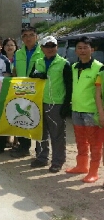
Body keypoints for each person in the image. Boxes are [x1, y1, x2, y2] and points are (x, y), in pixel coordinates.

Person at [29, 36, 72, 173]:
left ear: (56, 47)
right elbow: (31, 77)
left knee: (57, 134)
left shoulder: (64, 63)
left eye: (52, 46)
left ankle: (58, 161)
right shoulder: (38, 61)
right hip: (39, 101)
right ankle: (42, 158)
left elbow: (69, 86)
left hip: (56, 103)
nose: (49, 49)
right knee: (40, 132)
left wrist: (67, 104)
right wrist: (37, 75)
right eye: (46, 46)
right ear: (41, 48)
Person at [66, 36, 104, 183]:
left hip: (92, 112)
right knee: (81, 141)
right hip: (76, 109)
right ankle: (82, 166)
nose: (82, 51)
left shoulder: (99, 68)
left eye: (85, 47)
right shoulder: (74, 67)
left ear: (92, 49)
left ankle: (94, 172)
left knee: (95, 143)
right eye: (79, 48)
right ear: (75, 51)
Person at [11, 27, 44, 158]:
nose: (28, 38)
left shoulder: (42, 52)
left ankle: (40, 151)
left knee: (38, 121)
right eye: (25, 35)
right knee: (22, 120)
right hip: (20, 91)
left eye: (31, 35)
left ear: (36, 37)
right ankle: (24, 147)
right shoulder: (18, 53)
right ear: (22, 38)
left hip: (37, 92)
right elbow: (14, 70)